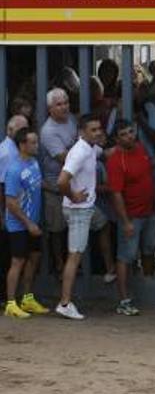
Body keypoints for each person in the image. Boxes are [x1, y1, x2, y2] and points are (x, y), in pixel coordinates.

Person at [55, 113, 106, 321]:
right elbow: (61, 181)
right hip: (78, 210)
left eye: (99, 129)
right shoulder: (79, 152)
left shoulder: (91, 147)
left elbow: (102, 150)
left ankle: (109, 269)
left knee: (102, 224)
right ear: (82, 132)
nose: (98, 132)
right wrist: (73, 195)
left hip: (86, 208)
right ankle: (65, 303)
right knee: (74, 255)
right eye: (93, 130)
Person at [107, 118, 155, 316]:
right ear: (117, 139)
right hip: (132, 216)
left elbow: (149, 168)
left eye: (130, 132)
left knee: (149, 249)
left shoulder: (140, 148)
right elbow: (116, 193)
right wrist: (126, 221)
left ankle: (148, 288)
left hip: (148, 212)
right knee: (125, 257)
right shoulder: (115, 160)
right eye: (124, 134)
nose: (129, 136)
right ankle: (123, 299)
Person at [4, 128, 50, 319]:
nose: (36, 145)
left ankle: (27, 299)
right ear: (22, 145)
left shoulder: (33, 163)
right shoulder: (14, 170)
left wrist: (60, 189)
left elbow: (39, 184)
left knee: (33, 259)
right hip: (18, 225)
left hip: (33, 223)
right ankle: (11, 303)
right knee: (18, 262)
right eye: (33, 142)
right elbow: (11, 203)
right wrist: (28, 223)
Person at [38, 88, 75, 275]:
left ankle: (74, 266)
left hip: (73, 183)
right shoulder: (48, 131)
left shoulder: (72, 120)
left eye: (66, 102)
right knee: (57, 230)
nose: (64, 107)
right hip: (54, 187)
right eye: (59, 104)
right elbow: (66, 158)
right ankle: (60, 267)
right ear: (50, 108)